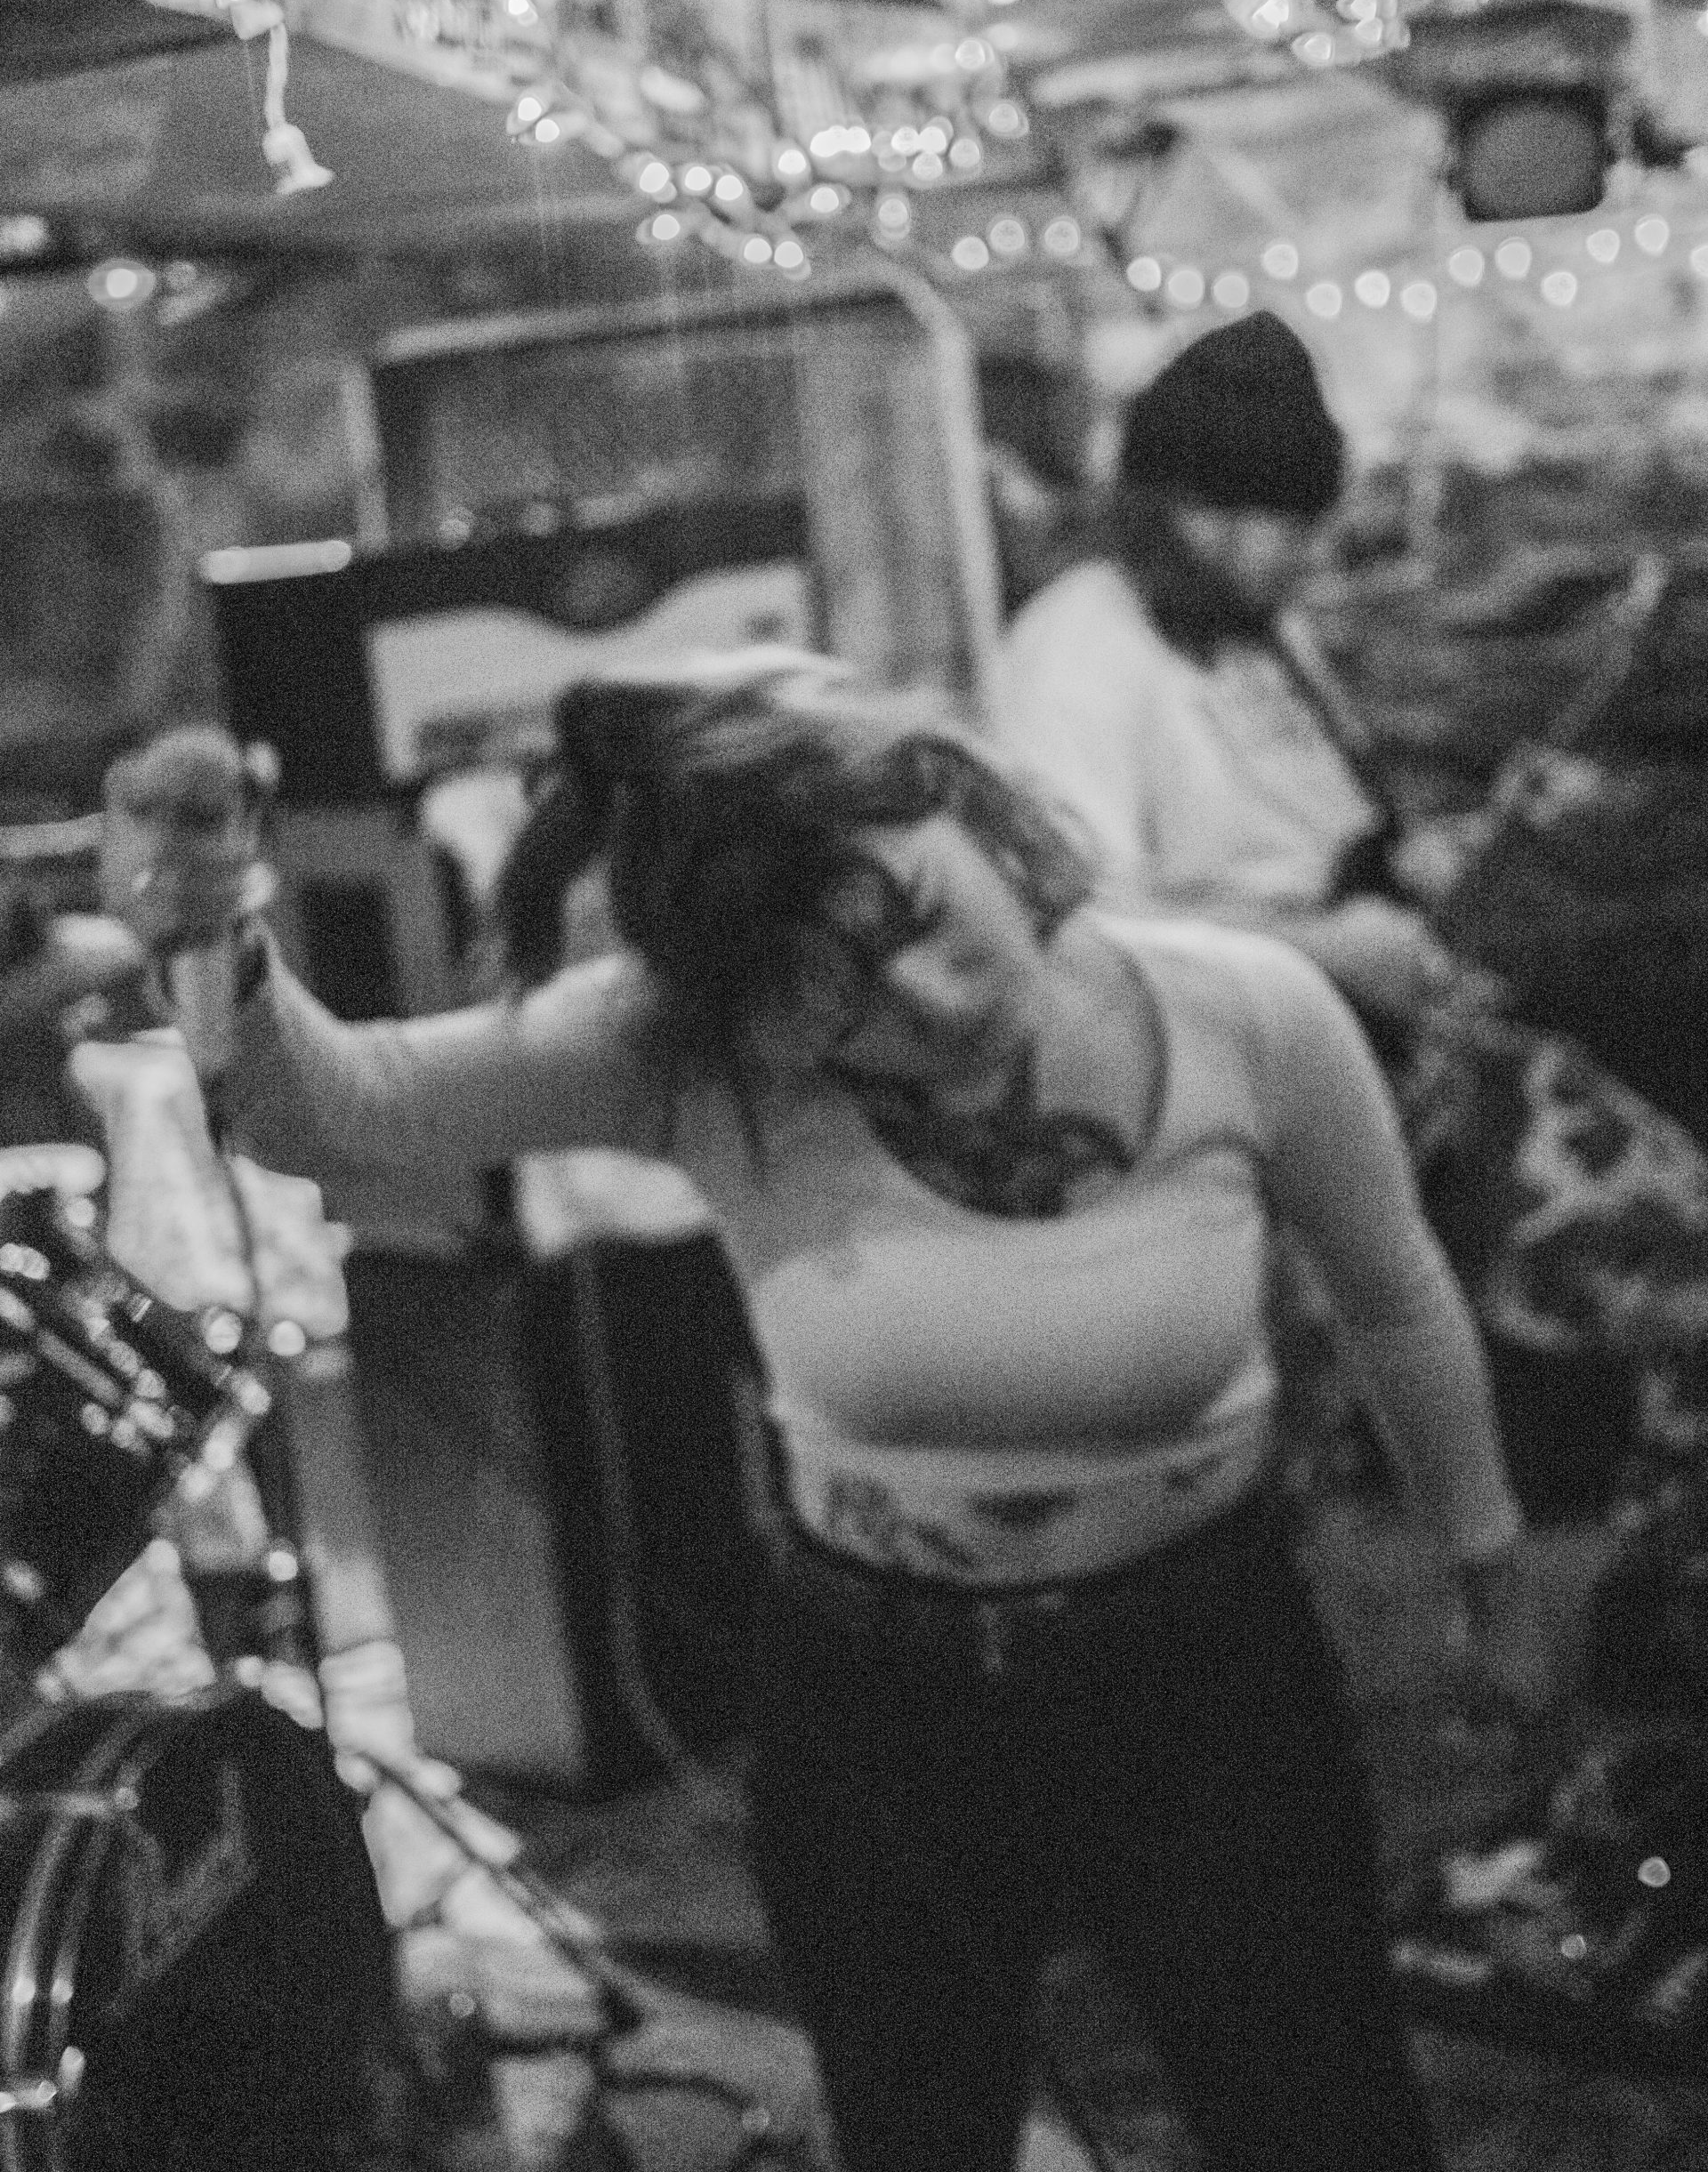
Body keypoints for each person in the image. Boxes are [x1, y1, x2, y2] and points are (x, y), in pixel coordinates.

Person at [101, 655, 1548, 2172]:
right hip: (881, 1707)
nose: (935, 1002)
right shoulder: (694, 1048)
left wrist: (1495, 1579)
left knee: (1322, 2119)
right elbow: (338, 1110)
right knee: (919, 2131)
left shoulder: (1242, 1007)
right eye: (844, 1011)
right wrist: (210, 929)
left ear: (962, 808)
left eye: (914, 919)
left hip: (1205, 1668)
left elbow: (1396, 1297)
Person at [987, 308, 1460, 1049]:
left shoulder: (1255, 625)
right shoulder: (1077, 653)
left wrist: (1413, 858)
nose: (1315, 555)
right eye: (1294, 528)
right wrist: (1323, 951)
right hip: (1222, 1050)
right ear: (1195, 516)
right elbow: (1081, 929)